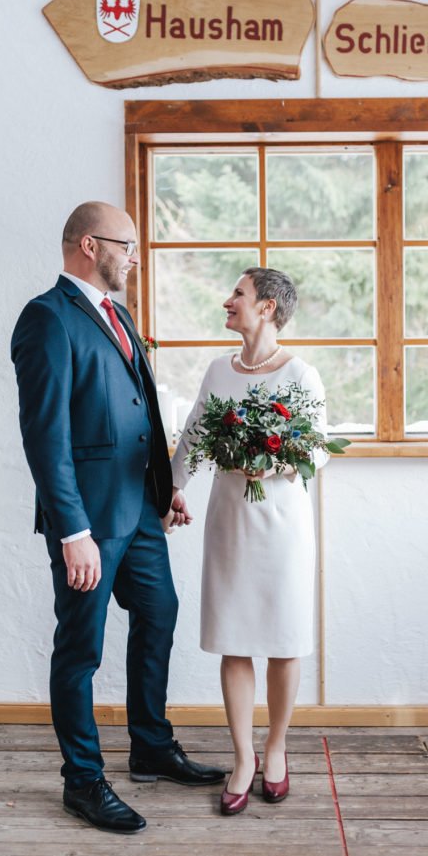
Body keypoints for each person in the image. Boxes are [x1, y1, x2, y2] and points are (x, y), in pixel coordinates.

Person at [11, 201, 225, 835]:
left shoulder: (119, 314)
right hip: (89, 524)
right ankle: (83, 782)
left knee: (160, 613)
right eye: (126, 245)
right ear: (87, 245)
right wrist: (72, 530)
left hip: (140, 513)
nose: (135, 256)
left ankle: (151, 746)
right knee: (80, 650)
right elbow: (45, 438)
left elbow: (139, 413)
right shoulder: (46, 319)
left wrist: (163, 490)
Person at [170, 268, 329, 815]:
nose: (227, 301)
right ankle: (242, 757)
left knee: (284, 640)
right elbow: (193, 434)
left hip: (283, 523)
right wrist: (170, 489)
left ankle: (277, 747)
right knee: (234, 638)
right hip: (229, 519)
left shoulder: (302, 375)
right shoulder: (219, 370)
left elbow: (321, 449)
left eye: (237, 294)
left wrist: (276, 462)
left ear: (267, 307)